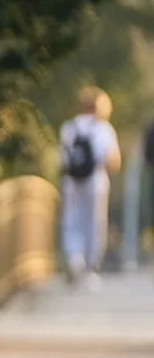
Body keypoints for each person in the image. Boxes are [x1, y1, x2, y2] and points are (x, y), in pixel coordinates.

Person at [58, 86, 121, 285]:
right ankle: (91, 267)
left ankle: (75, 258)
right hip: (95, 181)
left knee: (72, 221)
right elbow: (113, 161)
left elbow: (63, 158)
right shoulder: (103, 129)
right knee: (94, 223)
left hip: (71, 182)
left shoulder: (68, 127)